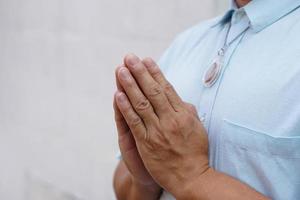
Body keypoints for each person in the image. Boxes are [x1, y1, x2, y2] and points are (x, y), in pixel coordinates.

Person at [113, 0, 300, 199]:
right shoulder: (187, 42)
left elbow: (185, 174)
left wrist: (191, 176)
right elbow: (124, 187)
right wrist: (145, 181)